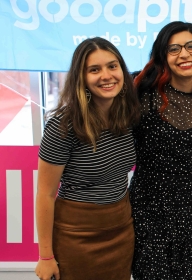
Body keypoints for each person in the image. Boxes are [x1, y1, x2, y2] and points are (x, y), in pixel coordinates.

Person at [34, 37, 139, 280]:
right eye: (95, 69)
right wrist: (46, 256)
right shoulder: (63, 126)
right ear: (81, 78)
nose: (107, 75)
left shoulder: (127, 116)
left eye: (113, 66)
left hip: (121, 229)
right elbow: (45, 195)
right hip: (77, 235)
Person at [128, 21, 192, 279]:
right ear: (163, 57)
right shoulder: (141, 91)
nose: (184, 54)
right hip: (150, 207)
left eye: (191, 46)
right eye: (174, 49)